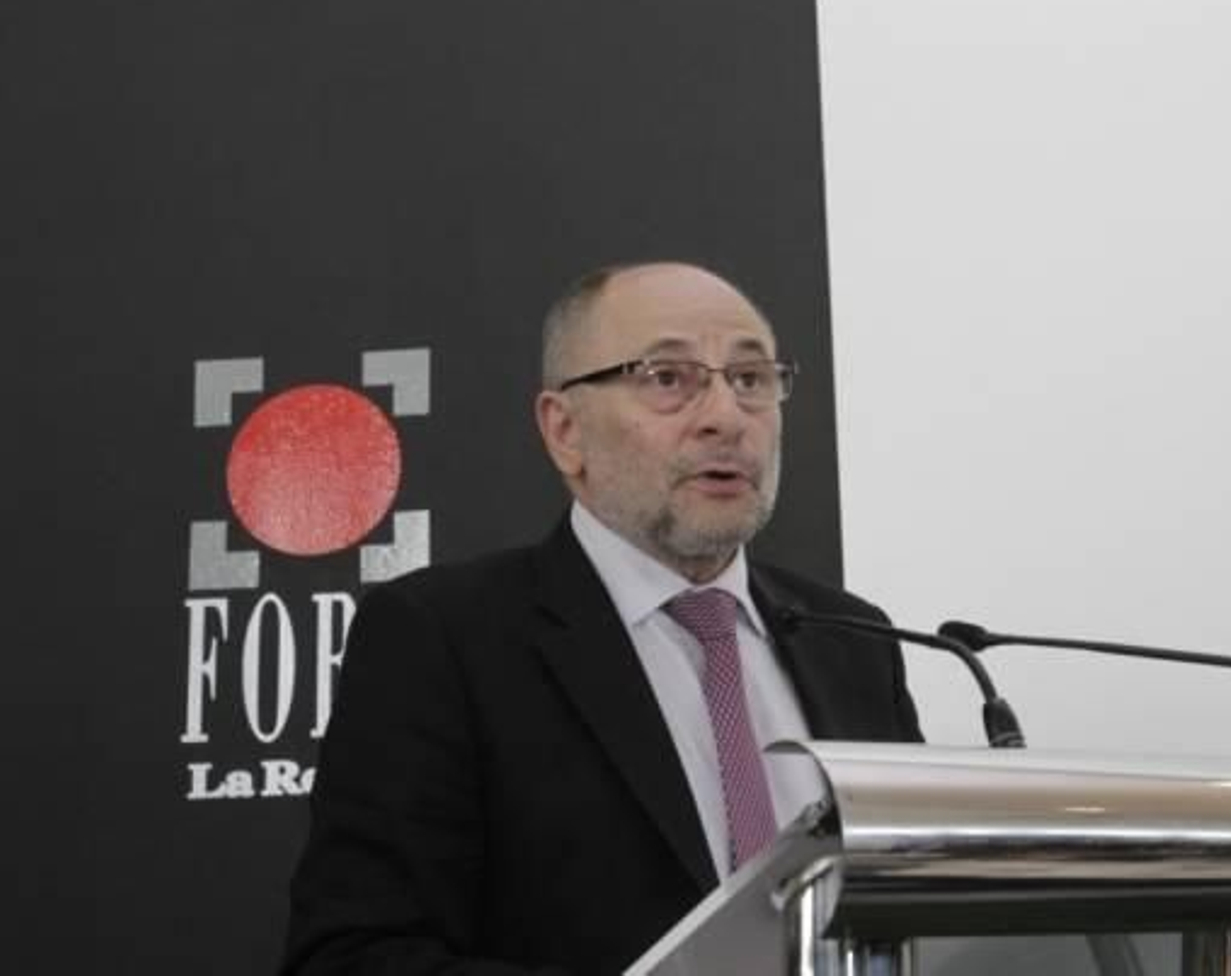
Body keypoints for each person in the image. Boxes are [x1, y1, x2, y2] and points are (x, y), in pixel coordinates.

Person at [281, 262, 922, 975]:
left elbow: (917, 919)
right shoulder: (441, 638)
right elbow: (352, 958)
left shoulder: (852, 640)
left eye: (750, 379)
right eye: (668, 378)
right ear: (565, 431)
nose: (726, 416)